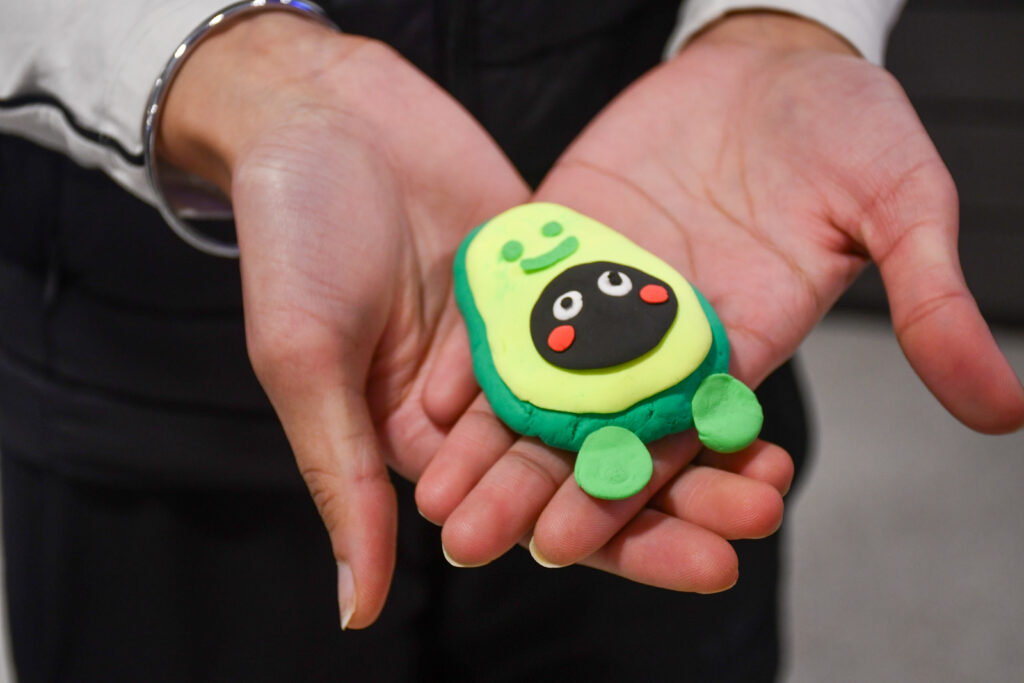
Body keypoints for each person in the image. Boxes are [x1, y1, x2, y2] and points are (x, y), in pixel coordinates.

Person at [1, 0, 1021, 680]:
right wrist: (218, 63)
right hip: (138, 348)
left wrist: (786, 23)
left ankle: (666, 421)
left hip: (695, 190)